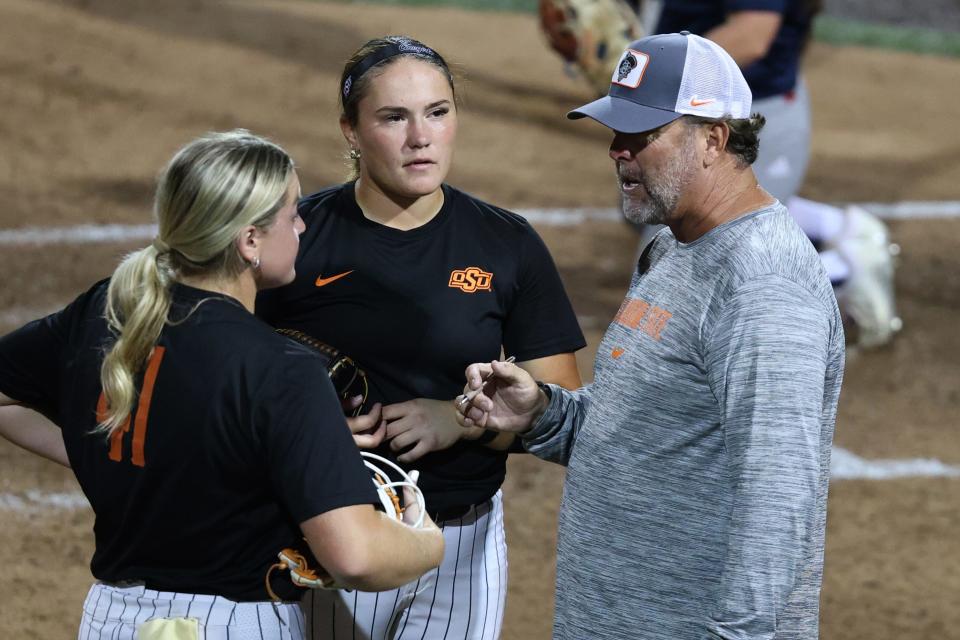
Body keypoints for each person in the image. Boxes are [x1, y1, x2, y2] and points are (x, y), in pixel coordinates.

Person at [458, 33, 845, 639]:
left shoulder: (763, 283)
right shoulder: (673, 246)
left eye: (643, 136)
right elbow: (641, 434)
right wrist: (542, 413)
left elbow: (777, 498)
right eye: (616, 132)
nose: (618, 151)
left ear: (714, 138)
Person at [0, 130, 444, 639]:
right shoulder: (281, 369)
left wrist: (100, 451)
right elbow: (357, 556)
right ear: (249, 240)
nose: (301, 225)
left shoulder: (106, 308)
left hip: (109, 621)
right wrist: (425, 541)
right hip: (231, 624)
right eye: (292, 212)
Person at [256, 36, 585, 640]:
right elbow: (227, 375)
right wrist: (304, 427)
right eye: (393, 117)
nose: (421, 136)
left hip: (463, 545)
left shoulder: (506, 245)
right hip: (332, 535)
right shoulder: (297, 240)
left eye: (437, 112)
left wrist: (460, 421)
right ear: (351, 132)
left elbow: (562, 403)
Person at [543, 0, 901, 348]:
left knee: (676, 286)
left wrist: (650, 82)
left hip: (748, 118)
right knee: (643, 207)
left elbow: (753, 32)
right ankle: (837, 228)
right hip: (687, 113)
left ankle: (839, 271)